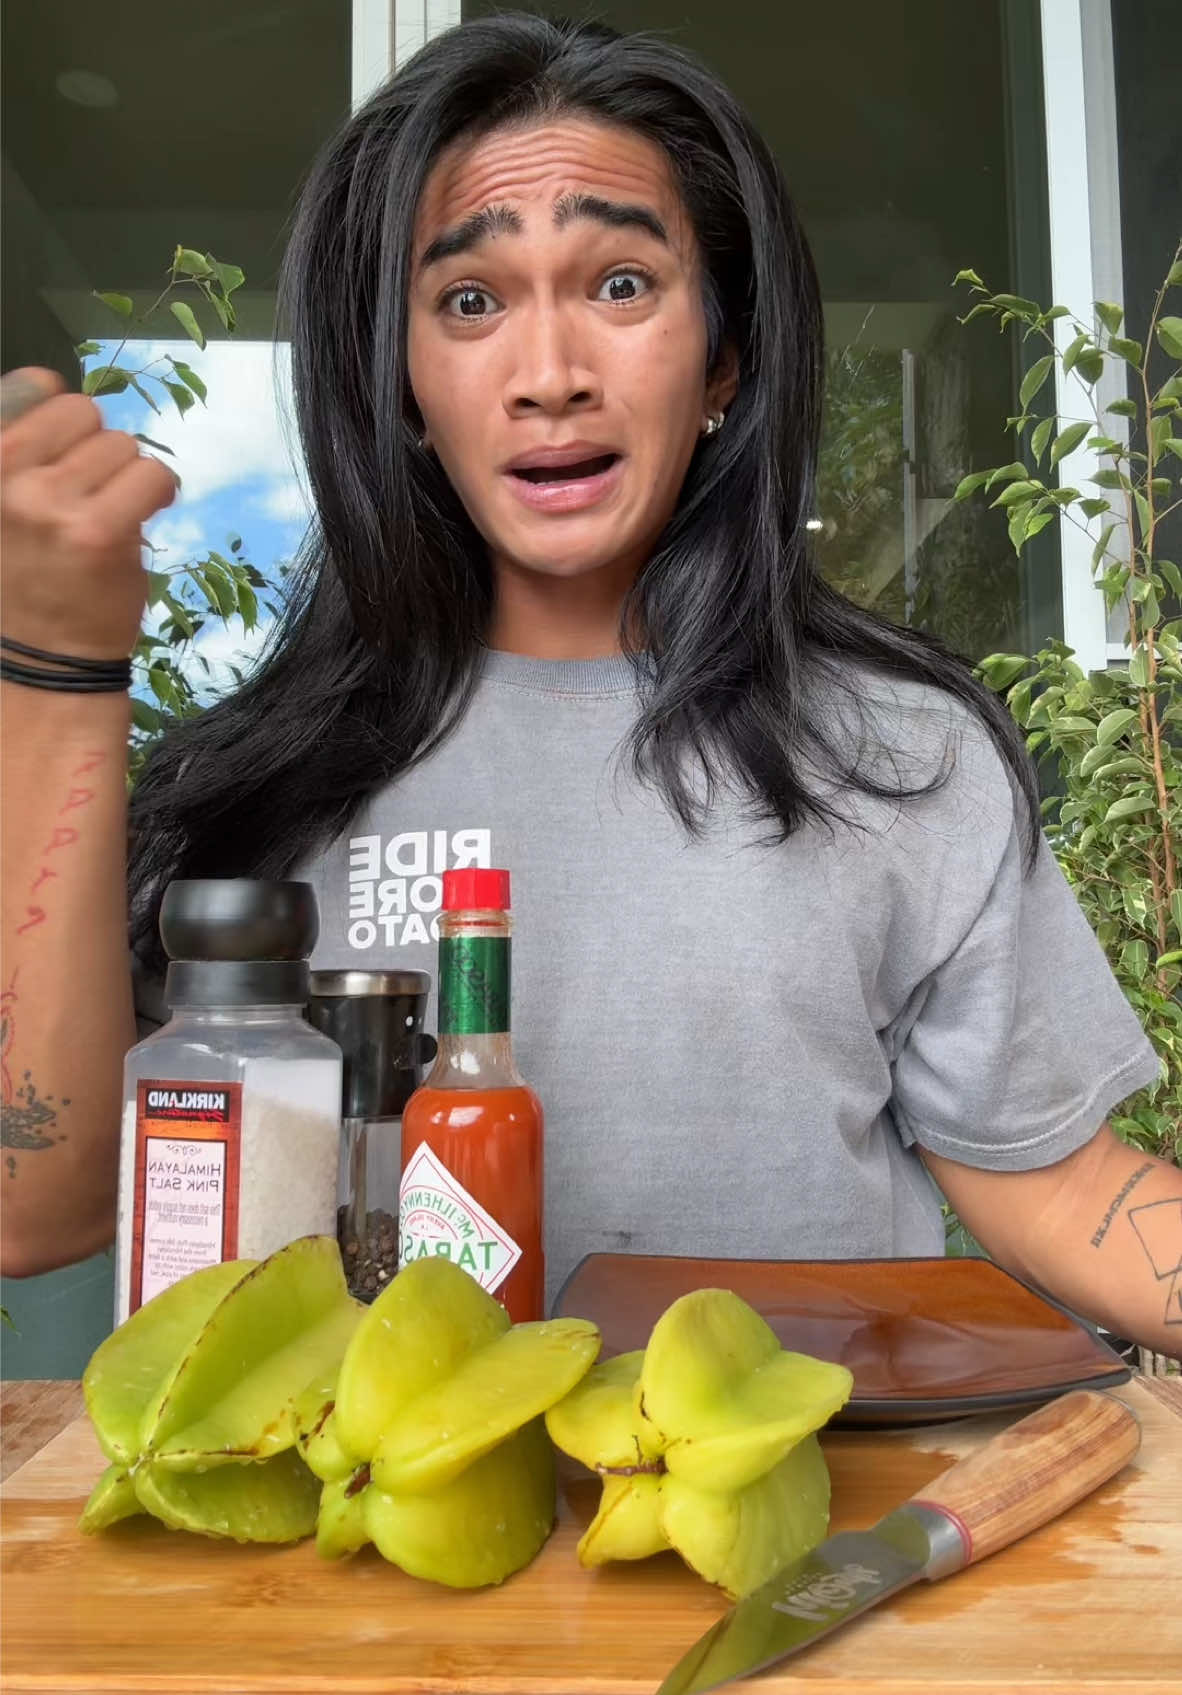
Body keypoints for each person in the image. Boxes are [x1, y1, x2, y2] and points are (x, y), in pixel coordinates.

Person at [2, 14, 1178, 1352]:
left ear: (723, 359)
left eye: (620, 285)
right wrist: (50, 670)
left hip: (798, 1533)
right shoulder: (251, 787)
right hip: (345, 1547)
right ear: (400, 385)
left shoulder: (902, 758)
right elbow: (32, 1208)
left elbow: (1063, 1187)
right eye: (469, 301)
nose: (550, 376)